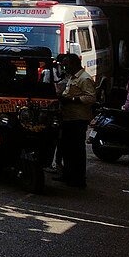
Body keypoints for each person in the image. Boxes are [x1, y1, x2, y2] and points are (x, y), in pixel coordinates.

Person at [56, 53, 97, 188]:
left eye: (66, 65)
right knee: (67, 149)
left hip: (78, 119)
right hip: (68, 117)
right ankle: (68, 175)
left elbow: (90, 98)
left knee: (77, 150)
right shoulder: (72, 78)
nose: (65, 68)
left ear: (73, 64)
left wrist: (72, 99)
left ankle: (79, 179)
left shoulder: (84, 78)